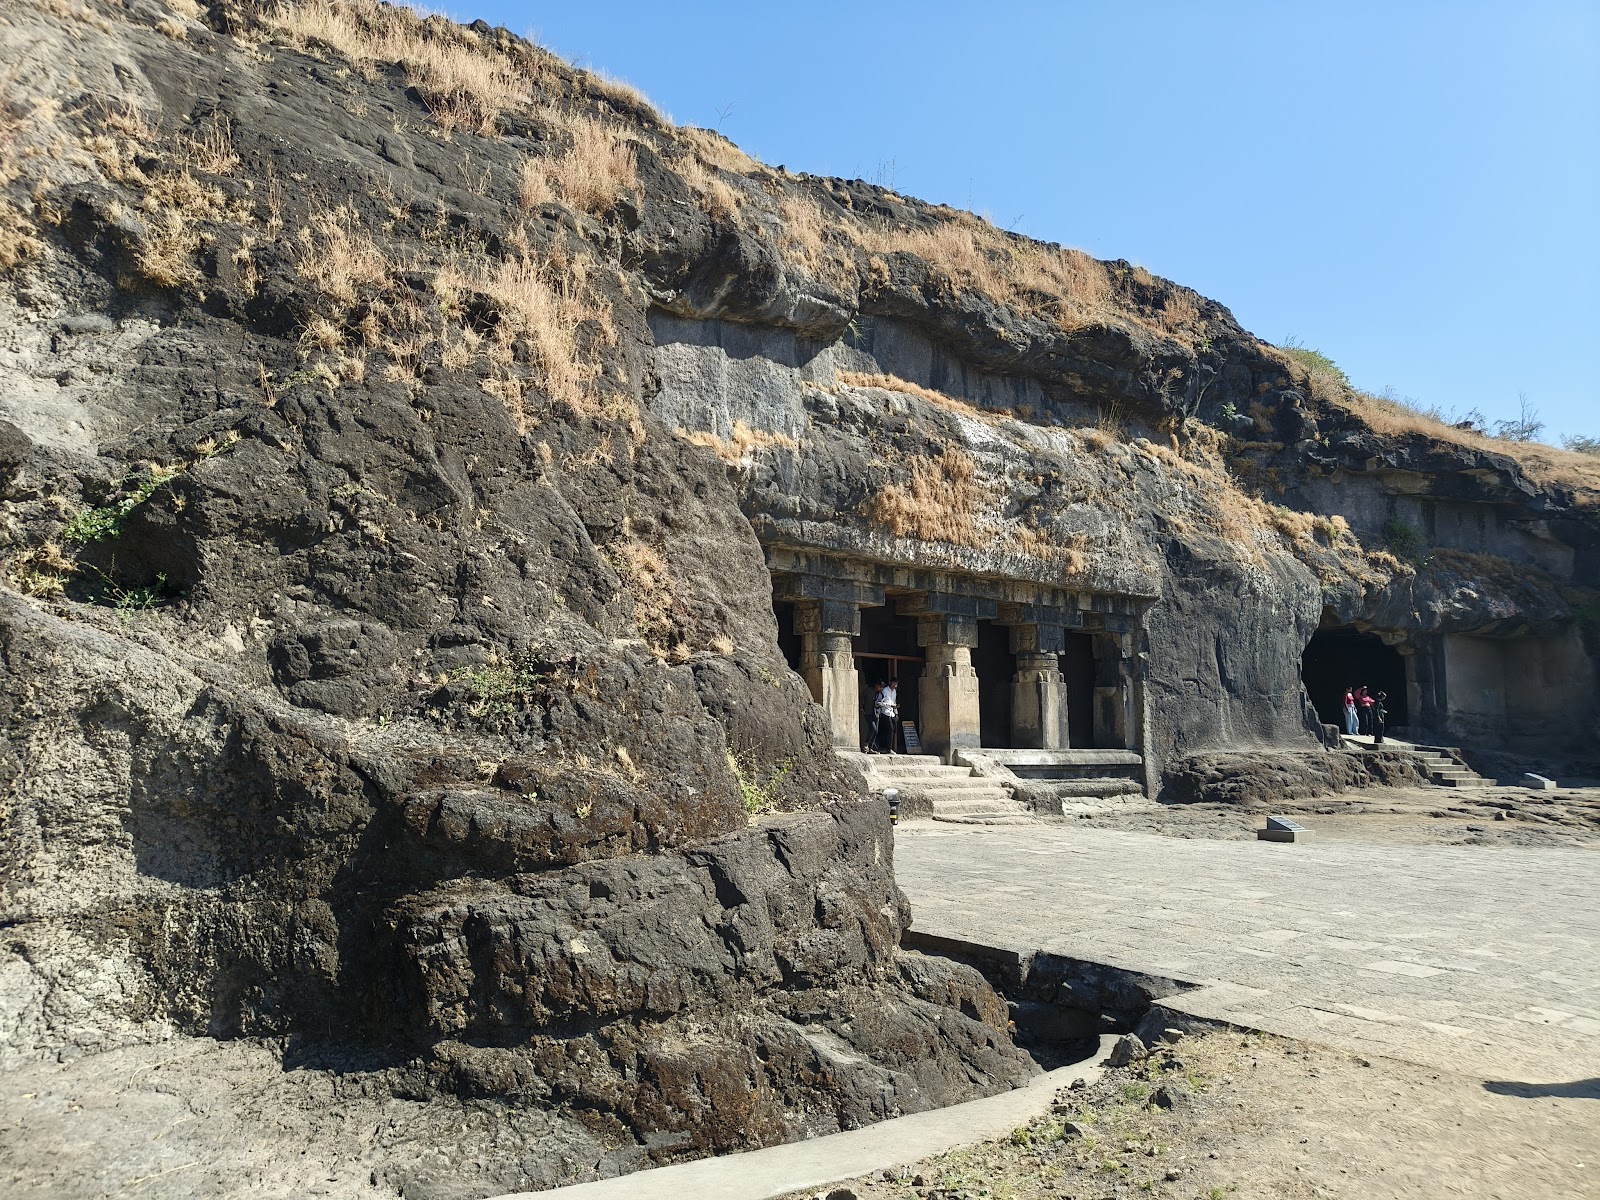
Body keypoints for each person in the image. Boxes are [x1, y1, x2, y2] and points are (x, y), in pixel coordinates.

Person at [872, 680, 899, 754]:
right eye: (893, 684)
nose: (894, 686)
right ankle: (888, 749)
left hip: (891, 713)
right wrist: (889, 705)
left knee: (893, 730)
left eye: (896, 684)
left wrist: (896, 713)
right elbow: (880, 702)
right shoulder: (885, 690)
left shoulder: (894, 691)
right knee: (889, 729)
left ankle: (889, 747)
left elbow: (894, 702)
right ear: (890, 683)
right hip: (884, 712)